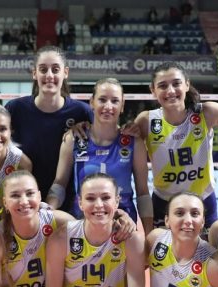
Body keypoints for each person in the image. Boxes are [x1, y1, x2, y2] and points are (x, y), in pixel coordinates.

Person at [126, 62, 218, 232]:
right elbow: (121, 144)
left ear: (187, 84)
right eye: (163, 86)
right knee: (162, 249)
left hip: (203, 200)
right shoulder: (146, 121)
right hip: (164, 203)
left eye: (176, 83)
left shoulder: (207, 112)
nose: (170, 91)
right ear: (153, 90)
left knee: (206, 249)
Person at [48, 78, 152, 233]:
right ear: (92, 102)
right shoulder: (73, 139)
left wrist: (149, 234)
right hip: (82, 225)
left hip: (123, 227)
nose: (108, 106)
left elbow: (143, 193)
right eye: (102, 100)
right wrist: (48, 211)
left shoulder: (133, 142)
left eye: (115, 101)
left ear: (122, 106)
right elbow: (59, 184)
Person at [2, 46, 92, 213]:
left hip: (67, 206)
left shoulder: (81, 112)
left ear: (65, 73)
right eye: (43, 70)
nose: (49, 75)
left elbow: (109, 137)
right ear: (34, 73)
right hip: (22, 204)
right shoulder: (15, 109)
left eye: (55, 70)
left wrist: (132, 129)